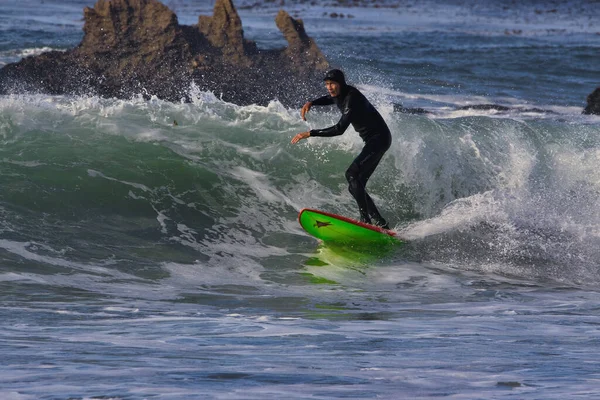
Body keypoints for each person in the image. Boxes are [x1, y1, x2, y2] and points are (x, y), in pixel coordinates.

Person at [291, 69, 391, 229]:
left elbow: (339, 129)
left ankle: (365, 221)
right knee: (355, 186)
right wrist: (312, 103)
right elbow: (330, 99)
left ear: (341, 84)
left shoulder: (352, 98)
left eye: (333, 84)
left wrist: (310, 133)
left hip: (379, 139)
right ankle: (381, 223)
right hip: (375, 140)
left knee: (351, 174)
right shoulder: (340, 94)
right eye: (327, 84)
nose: (329, 88)